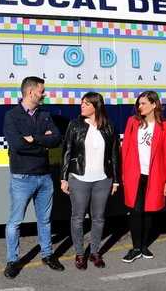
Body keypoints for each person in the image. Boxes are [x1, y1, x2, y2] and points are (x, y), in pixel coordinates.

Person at [2, 76, 64, 279]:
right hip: (22, 178)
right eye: (41, 91)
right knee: (15, 222)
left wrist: (35, 139)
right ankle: (13, 261)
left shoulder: (44, 115)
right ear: (30, 92)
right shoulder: (12, 116)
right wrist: (42, 142)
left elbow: (56, 139)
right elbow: (18, 146)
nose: (44, 94)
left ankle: (47, 255)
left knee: (44, 220)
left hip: (44, 177)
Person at [60, 92, 119, 270]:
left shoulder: (108, 127)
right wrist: (64, 178)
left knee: (99, 218)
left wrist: (115, 180)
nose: (82, 106)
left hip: (103, 179)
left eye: (86, 104)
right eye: (82, 103)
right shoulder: (75, 125)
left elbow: (115, 155)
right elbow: (67, 151)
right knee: (78, 218)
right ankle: (79, 254)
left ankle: (95, 252)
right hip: (79, 178)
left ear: (96, 106)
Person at [120, 90, 166, 263]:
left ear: (154, 105)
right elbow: (125, 148)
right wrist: (122, 174)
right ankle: (135, 248)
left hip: (154, 176)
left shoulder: (164, 125)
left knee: (149, 211)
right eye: (139, 103)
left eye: (143, 103)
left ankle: (144, 246)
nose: (139, 106)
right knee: (135, 211)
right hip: (134, 175)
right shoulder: (133, 122)